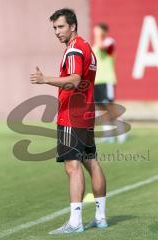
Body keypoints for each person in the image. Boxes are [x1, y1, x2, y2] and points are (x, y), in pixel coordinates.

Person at [30, 8, 108, 234]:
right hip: (86, 114)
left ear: (73, 26)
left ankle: (75, 223)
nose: (57, 31)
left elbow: (74, 80)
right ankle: (101, 218)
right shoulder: (87, 48)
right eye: (54, 27)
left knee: (72, 167)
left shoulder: (73, 50)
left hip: (72, 116)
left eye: (61, 26)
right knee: (91, 163)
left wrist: (45, 79)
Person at [93, 23, 127, 143]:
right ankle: (108, 133)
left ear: (104, 32)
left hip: (107, 80)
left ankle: (121, 130)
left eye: (97, 31)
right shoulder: (95, 46)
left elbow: (104, 49)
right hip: (96, 81)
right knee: (101, 108)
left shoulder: (109, 42)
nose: (95, 33)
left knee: (110, 106)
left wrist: (98, 36)